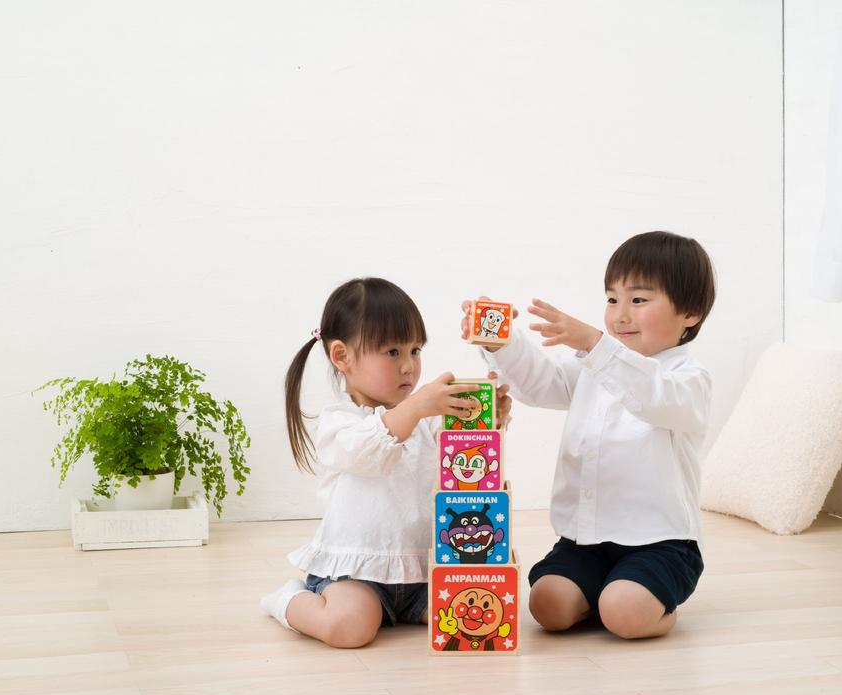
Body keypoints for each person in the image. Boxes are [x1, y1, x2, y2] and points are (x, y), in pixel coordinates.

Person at [463, 231, 715, 639]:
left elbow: (650, 396)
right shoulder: (595, 368)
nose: (620, 315)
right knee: (548, 606)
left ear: (690, 312)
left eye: (638, 300)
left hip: (661, 541)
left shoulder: (686, 380)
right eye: (612, 299)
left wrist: (596, 346)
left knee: (626, 614)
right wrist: (503, 341)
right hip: (588, 539)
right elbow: (540, 384)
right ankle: (605, 591)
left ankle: (649, 606)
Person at [261, 276, 510, 648]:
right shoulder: (340, 422)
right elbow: (368, 453)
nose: (409, 366)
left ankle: (405, 610)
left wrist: (489, 420)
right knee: (350, 627)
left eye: (415, 350)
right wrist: (416, 407)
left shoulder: (425, 419)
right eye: (393, 352)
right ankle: (288, 600)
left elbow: (466, 467)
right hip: (357, 572)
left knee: (461, 619)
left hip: (423, 571)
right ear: (342, 357)